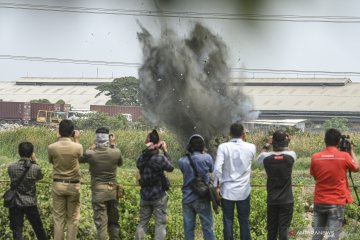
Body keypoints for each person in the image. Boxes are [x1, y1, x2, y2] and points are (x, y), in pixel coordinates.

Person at [310, 128, 358, 240]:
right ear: (339, 142)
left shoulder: (315, 157)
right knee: (333, 236)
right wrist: (351, 150)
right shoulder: (344, 156)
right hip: (337, 202)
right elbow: (356, 167)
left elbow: (315, 177)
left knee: (317, 234)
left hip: (319, 200)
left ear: (325, 141)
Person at [213, 122, 256, 240]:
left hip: (227, 191)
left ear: (230, 133)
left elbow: (217, 168)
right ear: (243, 133)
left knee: (227, 221)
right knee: (244, 221)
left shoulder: (223, 147)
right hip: (244, 191)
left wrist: (216, 186)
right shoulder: (251, 147)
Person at [80, 127, 123, 240]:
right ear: (108, 139)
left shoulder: (90, 154)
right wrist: (113, 145)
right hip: (112, 192)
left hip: (98, 194)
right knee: (113, 222)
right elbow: (120, 163)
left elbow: (79, 159)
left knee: (101, 225)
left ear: (96, 139)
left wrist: (91, 147)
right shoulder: (116, 152)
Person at [256, 130, 296, 240]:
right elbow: (287, 151)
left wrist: (267, 144)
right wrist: (287, 142)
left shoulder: (266, 157)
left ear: (273, 141)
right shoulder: (291, 156)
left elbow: (258, 159)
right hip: (287, 199)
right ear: (285, 142)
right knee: (284, 229)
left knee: (272, 230)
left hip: (272, 199)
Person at [135, 130, 174, 240]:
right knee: (160, 224)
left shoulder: (142, 158)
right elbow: (170, 167)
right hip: (158, 195)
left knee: (142, 223)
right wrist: (165, 150)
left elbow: (138, 164)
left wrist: (151, 149)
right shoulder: (159, 157)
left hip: (145, 195)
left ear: (148, 142)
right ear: (158, 142)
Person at [48, 119, 83, 240]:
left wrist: (57, 139)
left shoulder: (52, 147)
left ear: (59, 131)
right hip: (73, 185)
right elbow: (80, 159)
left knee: (58, 219)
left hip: (58, 185)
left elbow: (51, 161)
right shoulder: (78, 147)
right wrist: (77, 139)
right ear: (72, 132)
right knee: (72, 219)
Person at [7, 142, 48, 240]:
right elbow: (40, 176)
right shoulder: (35, 168)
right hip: (30, 202)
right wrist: (34, 161)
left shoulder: (11, 167)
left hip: (15, 202)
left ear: (19, 152)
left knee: (17, 230)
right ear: (32, 153)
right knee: (38, 228)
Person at [178, 134, 216, 240]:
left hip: (187, 199)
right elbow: (212, 169)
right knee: (208, 228)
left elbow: (183, 170)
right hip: (202, 198)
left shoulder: (182, 160)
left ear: (189, 146)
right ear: (202, 146)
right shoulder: (207, 158)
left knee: (188, 230)